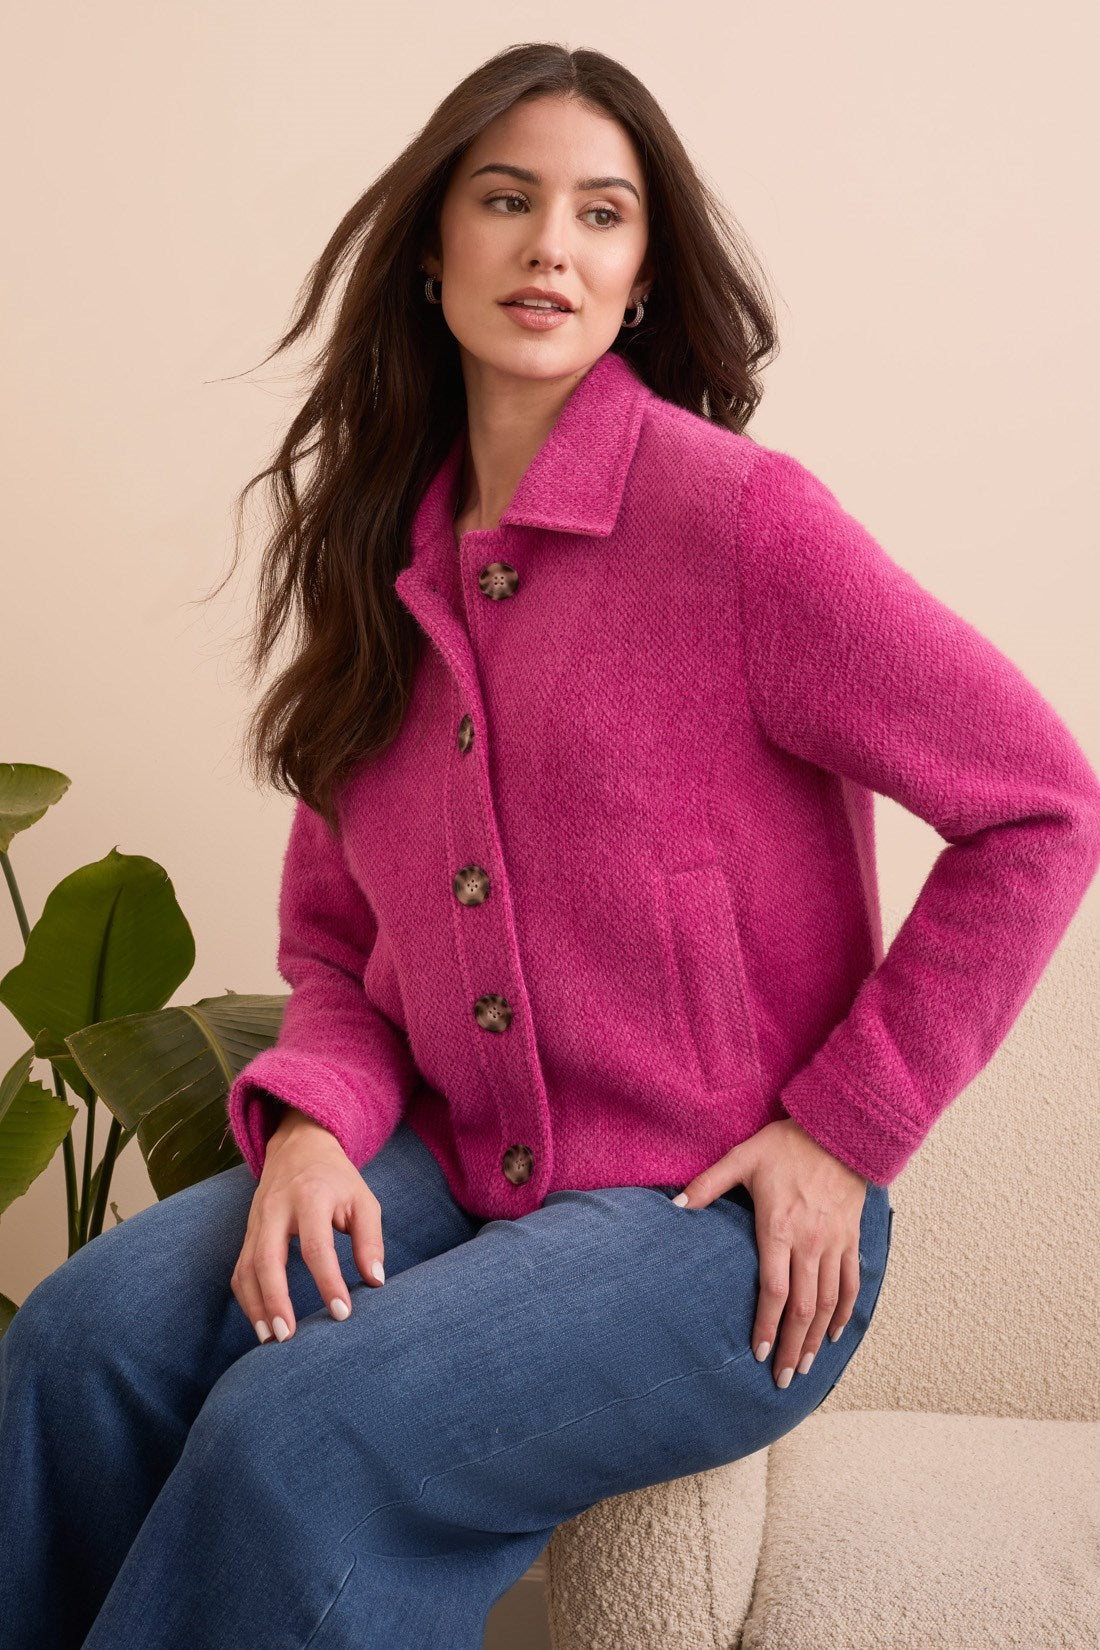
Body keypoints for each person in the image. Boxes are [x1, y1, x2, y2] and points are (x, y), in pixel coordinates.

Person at [2, 42, 1098, 1650]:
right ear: (432, 248)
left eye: (601, 213)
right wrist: (308, 1130)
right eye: (507, 200)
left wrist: (844, 1130)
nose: (550, 249)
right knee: (78, 1340)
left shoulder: (741, 522)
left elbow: (1043, 803)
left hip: (710, 1224)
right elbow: (336, 944)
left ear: (644, 273)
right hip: (450, 1159)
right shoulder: (378, 555)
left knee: (296, 1434)